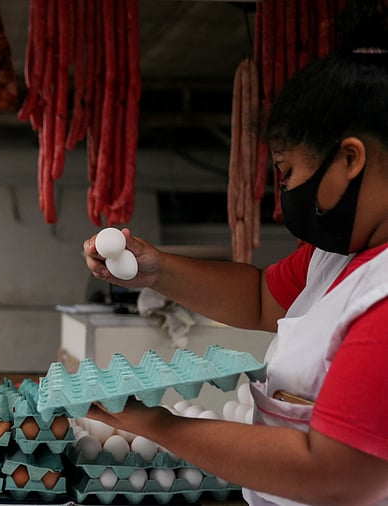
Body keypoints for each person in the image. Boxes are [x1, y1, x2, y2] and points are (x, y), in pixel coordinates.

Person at [82, 2, 388, 504]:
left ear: (350, 159)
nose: (284, 190)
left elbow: (335, 472)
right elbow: (261, 297)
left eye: (287, 172)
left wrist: (159, 425)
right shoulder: (338, 256)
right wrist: (156, 269)